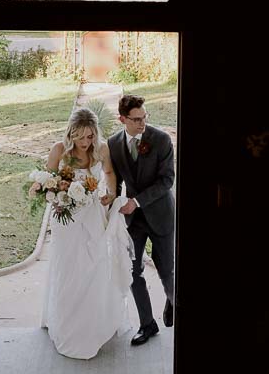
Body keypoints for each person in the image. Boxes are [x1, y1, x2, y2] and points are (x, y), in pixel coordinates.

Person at [37, 107, 132, 359]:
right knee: (68, 267)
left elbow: (109, 174)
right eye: (80, 137)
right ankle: (66, 323)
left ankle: (92, 324)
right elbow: (49, 180)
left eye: (90, 136)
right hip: (66, 220)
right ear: (71, 133)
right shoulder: (59, 150)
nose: (85, 142)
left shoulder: (101, 149)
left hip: (93, 215)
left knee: (94, 265)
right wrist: (55, 197)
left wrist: (110, 194)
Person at [108, 95, 175, 346]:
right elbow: (115, 182)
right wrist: (113, 205)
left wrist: (135, 201)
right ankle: (148, 324)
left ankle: (174, 302)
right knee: (133, 271)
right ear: (122, 119)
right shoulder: (114, 144)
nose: (142, 123)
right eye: (136, 119)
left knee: (167, 270)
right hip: (134, 221)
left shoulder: (161, 140)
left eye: (145, 117)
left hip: (161, 215)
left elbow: (167, 180)